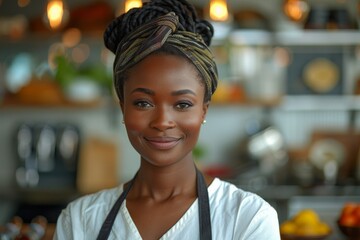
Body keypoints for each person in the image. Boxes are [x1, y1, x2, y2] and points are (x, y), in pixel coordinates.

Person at [54, 0, 281, 239]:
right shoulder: (80, 221)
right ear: (123, 108)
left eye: (182, 104)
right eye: (143, 103)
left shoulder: (247, 219)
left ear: (203, 111)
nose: (162, 121)